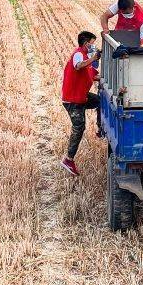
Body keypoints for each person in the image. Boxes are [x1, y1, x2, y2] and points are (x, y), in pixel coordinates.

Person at [61, 31, 101, 176]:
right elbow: (78, 66)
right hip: (73, 100)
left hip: (81, 96)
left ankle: (100, 128)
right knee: (79, 127)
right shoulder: (78, 54)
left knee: (100, 101)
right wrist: (93, 58)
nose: (93, 46)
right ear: (86, 44)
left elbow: (94, 75)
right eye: (92, 43)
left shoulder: (87, 59)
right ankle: (68, 159)